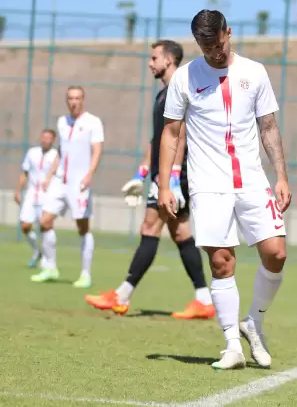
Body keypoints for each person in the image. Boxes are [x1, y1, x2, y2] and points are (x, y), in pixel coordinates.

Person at [158, 10, 291, 370]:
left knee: (276, 252)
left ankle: (254, 322)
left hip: (252, 180)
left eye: (217, 44)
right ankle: (232, 344)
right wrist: (166, 182)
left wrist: (280, 175)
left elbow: (269, 127)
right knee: (221, 262)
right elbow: (171, 132)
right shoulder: (185, 78)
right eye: (205, 47)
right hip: (208, 184)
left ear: (228, 33)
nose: (214, 52)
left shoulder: (254, 72)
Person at [84, 40, 214, 319]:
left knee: (150, 226)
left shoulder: (179, 90)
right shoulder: (164, 94)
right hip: (164, 174)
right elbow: (158, 139)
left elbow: (180, 135)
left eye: (154, 57)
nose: (150, 62)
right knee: (180, 233)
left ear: (169, 60)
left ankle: (121, 296)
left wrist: (173, 179)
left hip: (174, 175)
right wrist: (140, 174)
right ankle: (203, 299)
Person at [32, 86, 103, 289]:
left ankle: (85, 274)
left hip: (79, 183)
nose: (74, 102)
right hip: (59, 181)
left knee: (82, 227)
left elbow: (97, 150)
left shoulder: (93, 122)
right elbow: (62, 152)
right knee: (45, 220)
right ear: (66, 101)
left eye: (78, 98)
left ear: (83, 100)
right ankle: (51, 268)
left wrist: (90, 174)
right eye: (70, 98)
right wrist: (49, 176)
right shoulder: (62, 122)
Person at [15, 129, 59, 267]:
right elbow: (25, 173)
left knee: (45, 226)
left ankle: (48, 259)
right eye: (43, 137)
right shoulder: (32, 152)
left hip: (47, 195)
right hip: (31, 194)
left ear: (53, 140)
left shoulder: (56, 155)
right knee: (24, 225)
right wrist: (17, 190)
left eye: (48, 138)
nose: (45, 140)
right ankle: (36, 250)